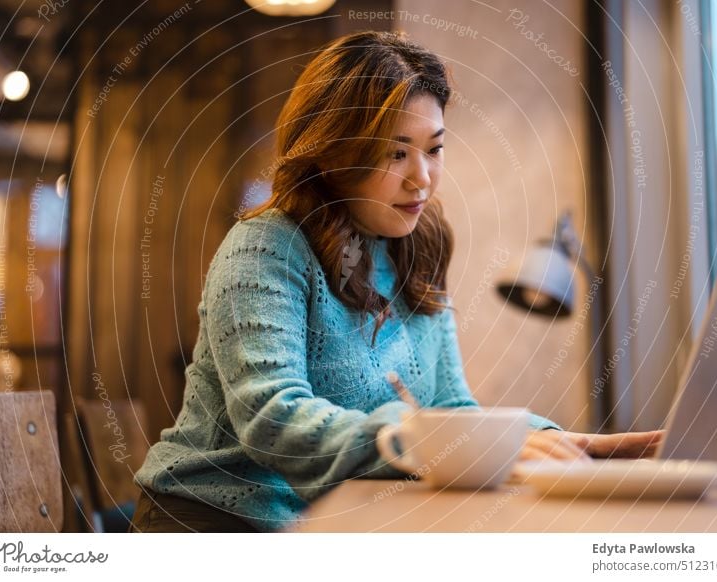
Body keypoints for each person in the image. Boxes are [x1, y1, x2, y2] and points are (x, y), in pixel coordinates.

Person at [130, 30, 661, 533]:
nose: (422, 178)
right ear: (332, 150)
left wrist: (552, 441)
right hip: (210, 524)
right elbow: (272, 419)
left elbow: (450, 409)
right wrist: (420, 438)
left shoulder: (419, 246)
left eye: (434, 148)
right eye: (394, 151)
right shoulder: (265, 248)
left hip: (328, 524)